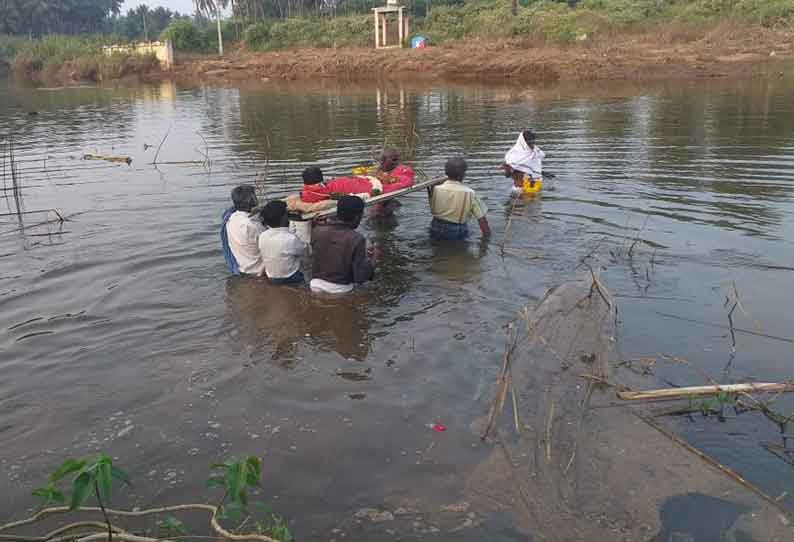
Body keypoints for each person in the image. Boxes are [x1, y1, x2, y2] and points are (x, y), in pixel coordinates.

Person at [310, 195, 375, 294]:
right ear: (358, 216)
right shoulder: (356, 238)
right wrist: (373, 259)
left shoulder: (317, 230)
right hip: (340, 289)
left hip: (314, 284)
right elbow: (360, 278)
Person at [429, 157, 490, 241]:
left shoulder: (435, 188)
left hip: (435, 226)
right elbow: (482, 221)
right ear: (463, 175)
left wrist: (434, 185)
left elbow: (432, 205)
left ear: (446, 172)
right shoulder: (470, 193)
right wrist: (486, 240)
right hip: (456, 230)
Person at [258, 200, 308, 285]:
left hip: (271, 276)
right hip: (291, 277)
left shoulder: (262, 236)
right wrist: (300, 235)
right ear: (283, 218)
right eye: (287, 214)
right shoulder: (290, 239)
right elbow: (306, 251)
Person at [221, 185, 266, 276]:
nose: (257, 198)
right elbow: (271, 246)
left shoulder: (230, 218)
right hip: (258, 271)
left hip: (242, 268)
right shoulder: (253, 225)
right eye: (255, 196)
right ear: (251, 200)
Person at [503, 130, 546, 194]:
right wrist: (509, 169)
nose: (532, 145)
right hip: (518, 188)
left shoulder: (535, 151)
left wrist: (540, 173)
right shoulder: (512, 154)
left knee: (533, 200)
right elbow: (507, 175)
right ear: (523, 142)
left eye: (533, 142)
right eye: (529, 142)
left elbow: (535, 165)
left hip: (534, 184)